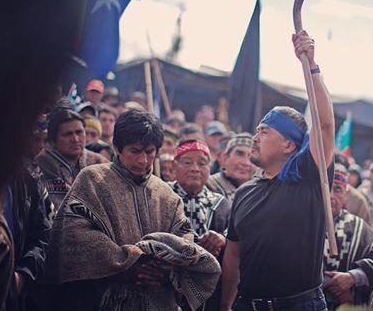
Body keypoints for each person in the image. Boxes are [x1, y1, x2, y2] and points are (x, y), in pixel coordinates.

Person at [44, 109, 220, 311]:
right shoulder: (93, 180)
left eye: (150, 152)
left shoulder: (167, 195)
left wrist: (164, 271)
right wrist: (126, 264)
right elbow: (75, 234)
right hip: (101, 300)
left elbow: (183, 240)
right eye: (135, 151)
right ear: (117, 147)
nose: (143, 160)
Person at [221, 30, 335, 311]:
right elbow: (233, 255)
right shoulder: (244, 192)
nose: (255, 137)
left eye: (264, 131)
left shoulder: (311, 179)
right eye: (256, 130)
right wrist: (225, 305)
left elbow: (324, 125)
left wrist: (310, 65)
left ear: (288, 144)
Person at [169, 139, 231, 310]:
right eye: (187, 162)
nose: (195, 168)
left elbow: (234, 239)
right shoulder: (161, 196)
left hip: (210, 294)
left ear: (209, 168)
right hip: (166, 288)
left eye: (202, 163)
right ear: (174, 166)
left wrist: (222, 240)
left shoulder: (221, 204)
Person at [323, 171, 373, 309]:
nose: (330, 195)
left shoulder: (360, 228)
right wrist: (328, 282)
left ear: (346, 196)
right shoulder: (302, 222)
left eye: (337, 189)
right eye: (325, 188)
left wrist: (353, 277)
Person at [36, 101, 108, 210]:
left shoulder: (99, 161)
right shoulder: (43, 163)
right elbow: (60, 205)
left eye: (79, 132)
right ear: (53, 139)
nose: (75, 139)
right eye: (67, 134)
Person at [207, 133, 256, 201]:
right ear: (225, 158)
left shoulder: (259, 191)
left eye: (251, 157)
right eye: (239, 154)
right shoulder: (209, 185)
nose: (246, 163)